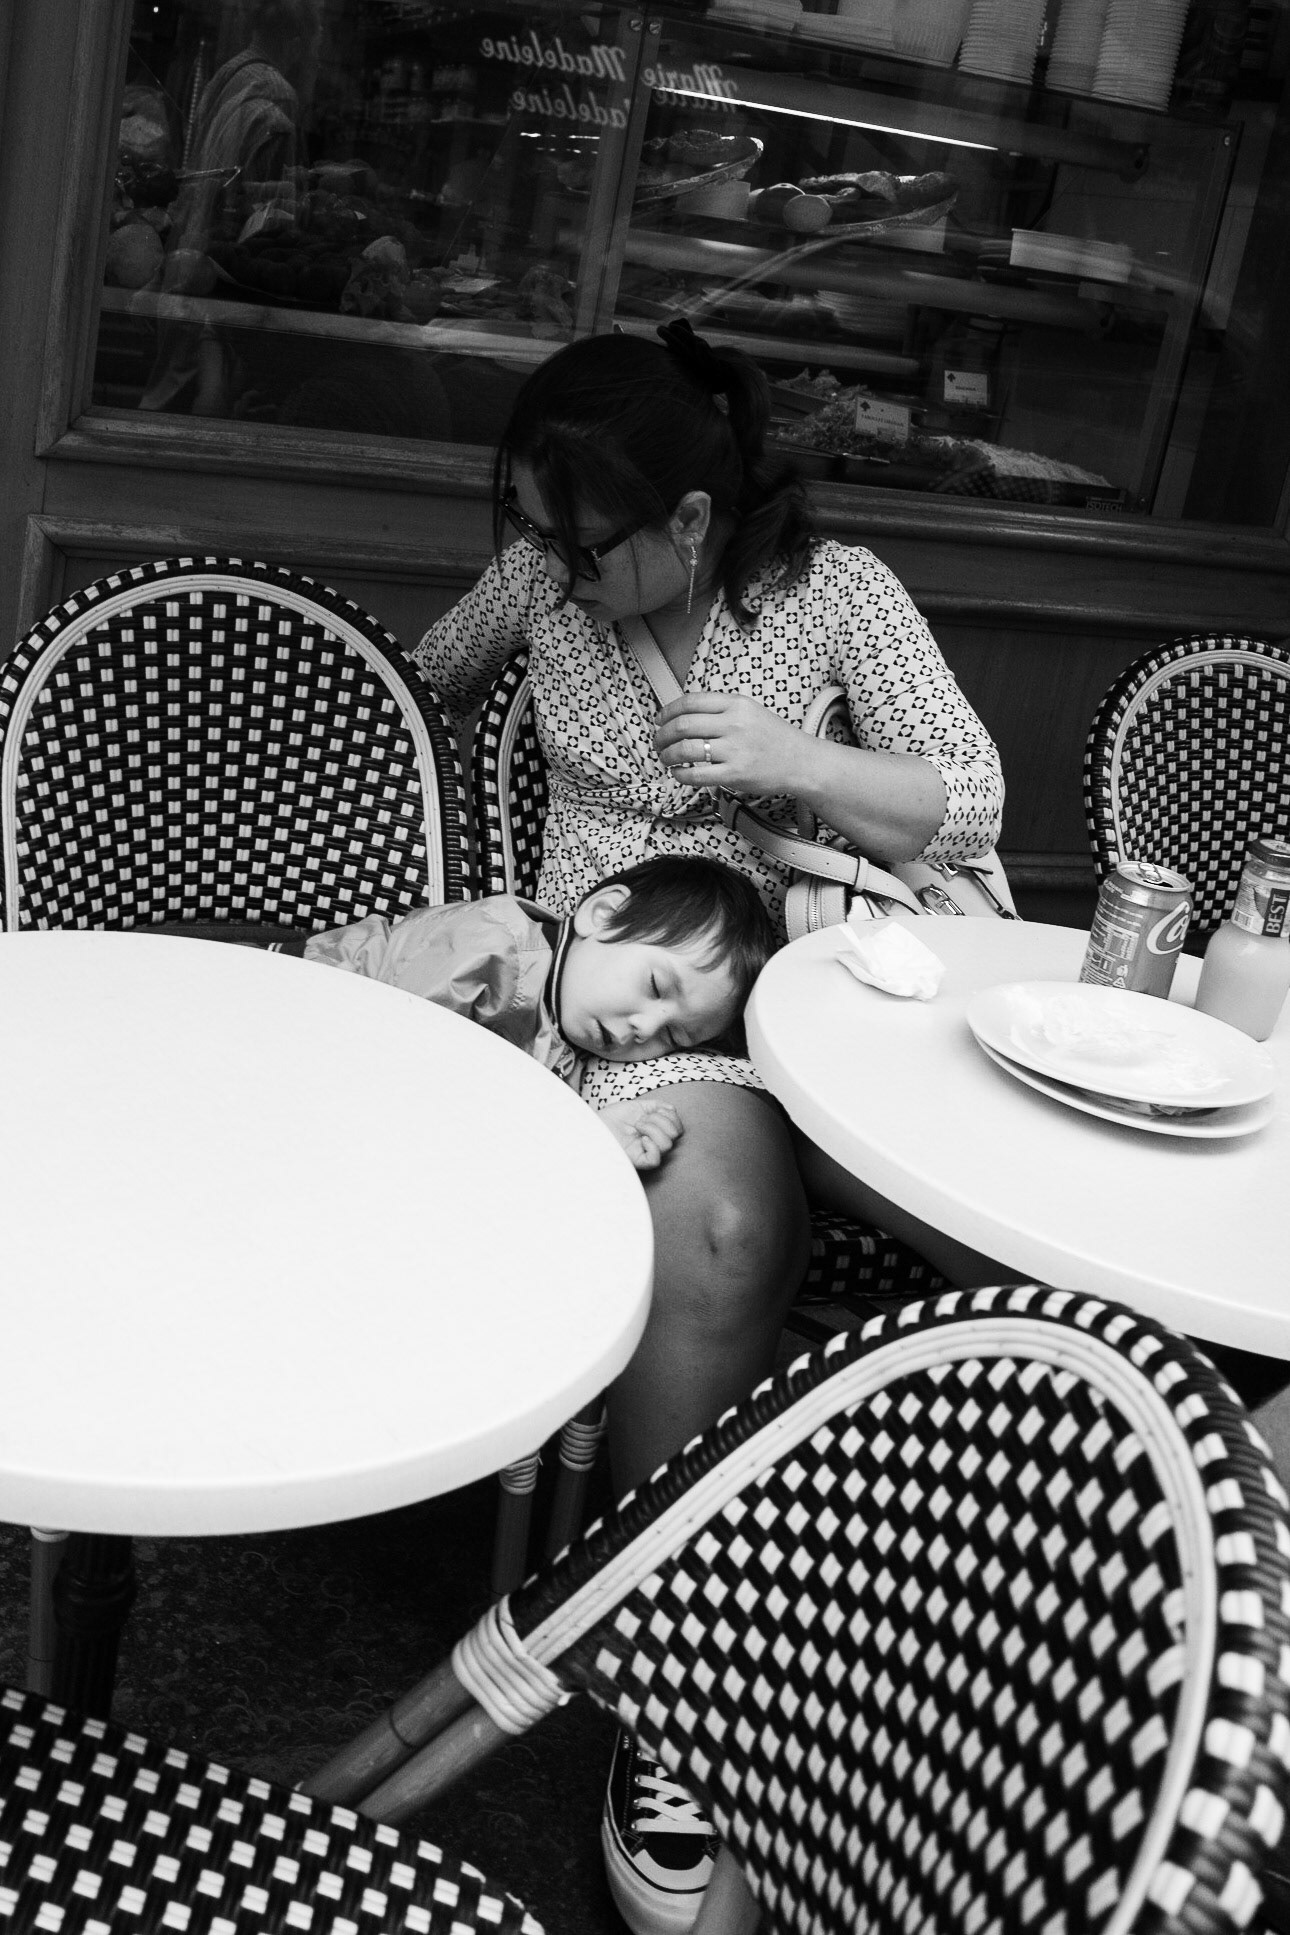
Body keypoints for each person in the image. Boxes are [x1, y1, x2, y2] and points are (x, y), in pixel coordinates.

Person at [411, 319, 1005, 1934]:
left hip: (830, 974)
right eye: (528, 525)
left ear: (686, 522)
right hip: (650, 991)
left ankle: (937, 1651)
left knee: (993, 1225)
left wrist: (796, 761)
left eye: (579, 535)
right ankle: (666, 1677)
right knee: (728, 1225)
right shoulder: (542, 587)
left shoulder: (836, 592)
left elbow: (971, 791)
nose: (546, 560)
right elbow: (419, 686)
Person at [297, 853, 776, 1172]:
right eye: (655, 985)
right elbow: (401, 1080)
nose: (644, 1028)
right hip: (289, 1013)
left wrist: (596, 1132)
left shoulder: (565, 1029)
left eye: (672, 1037)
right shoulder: (486, 949)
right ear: (603, 915)